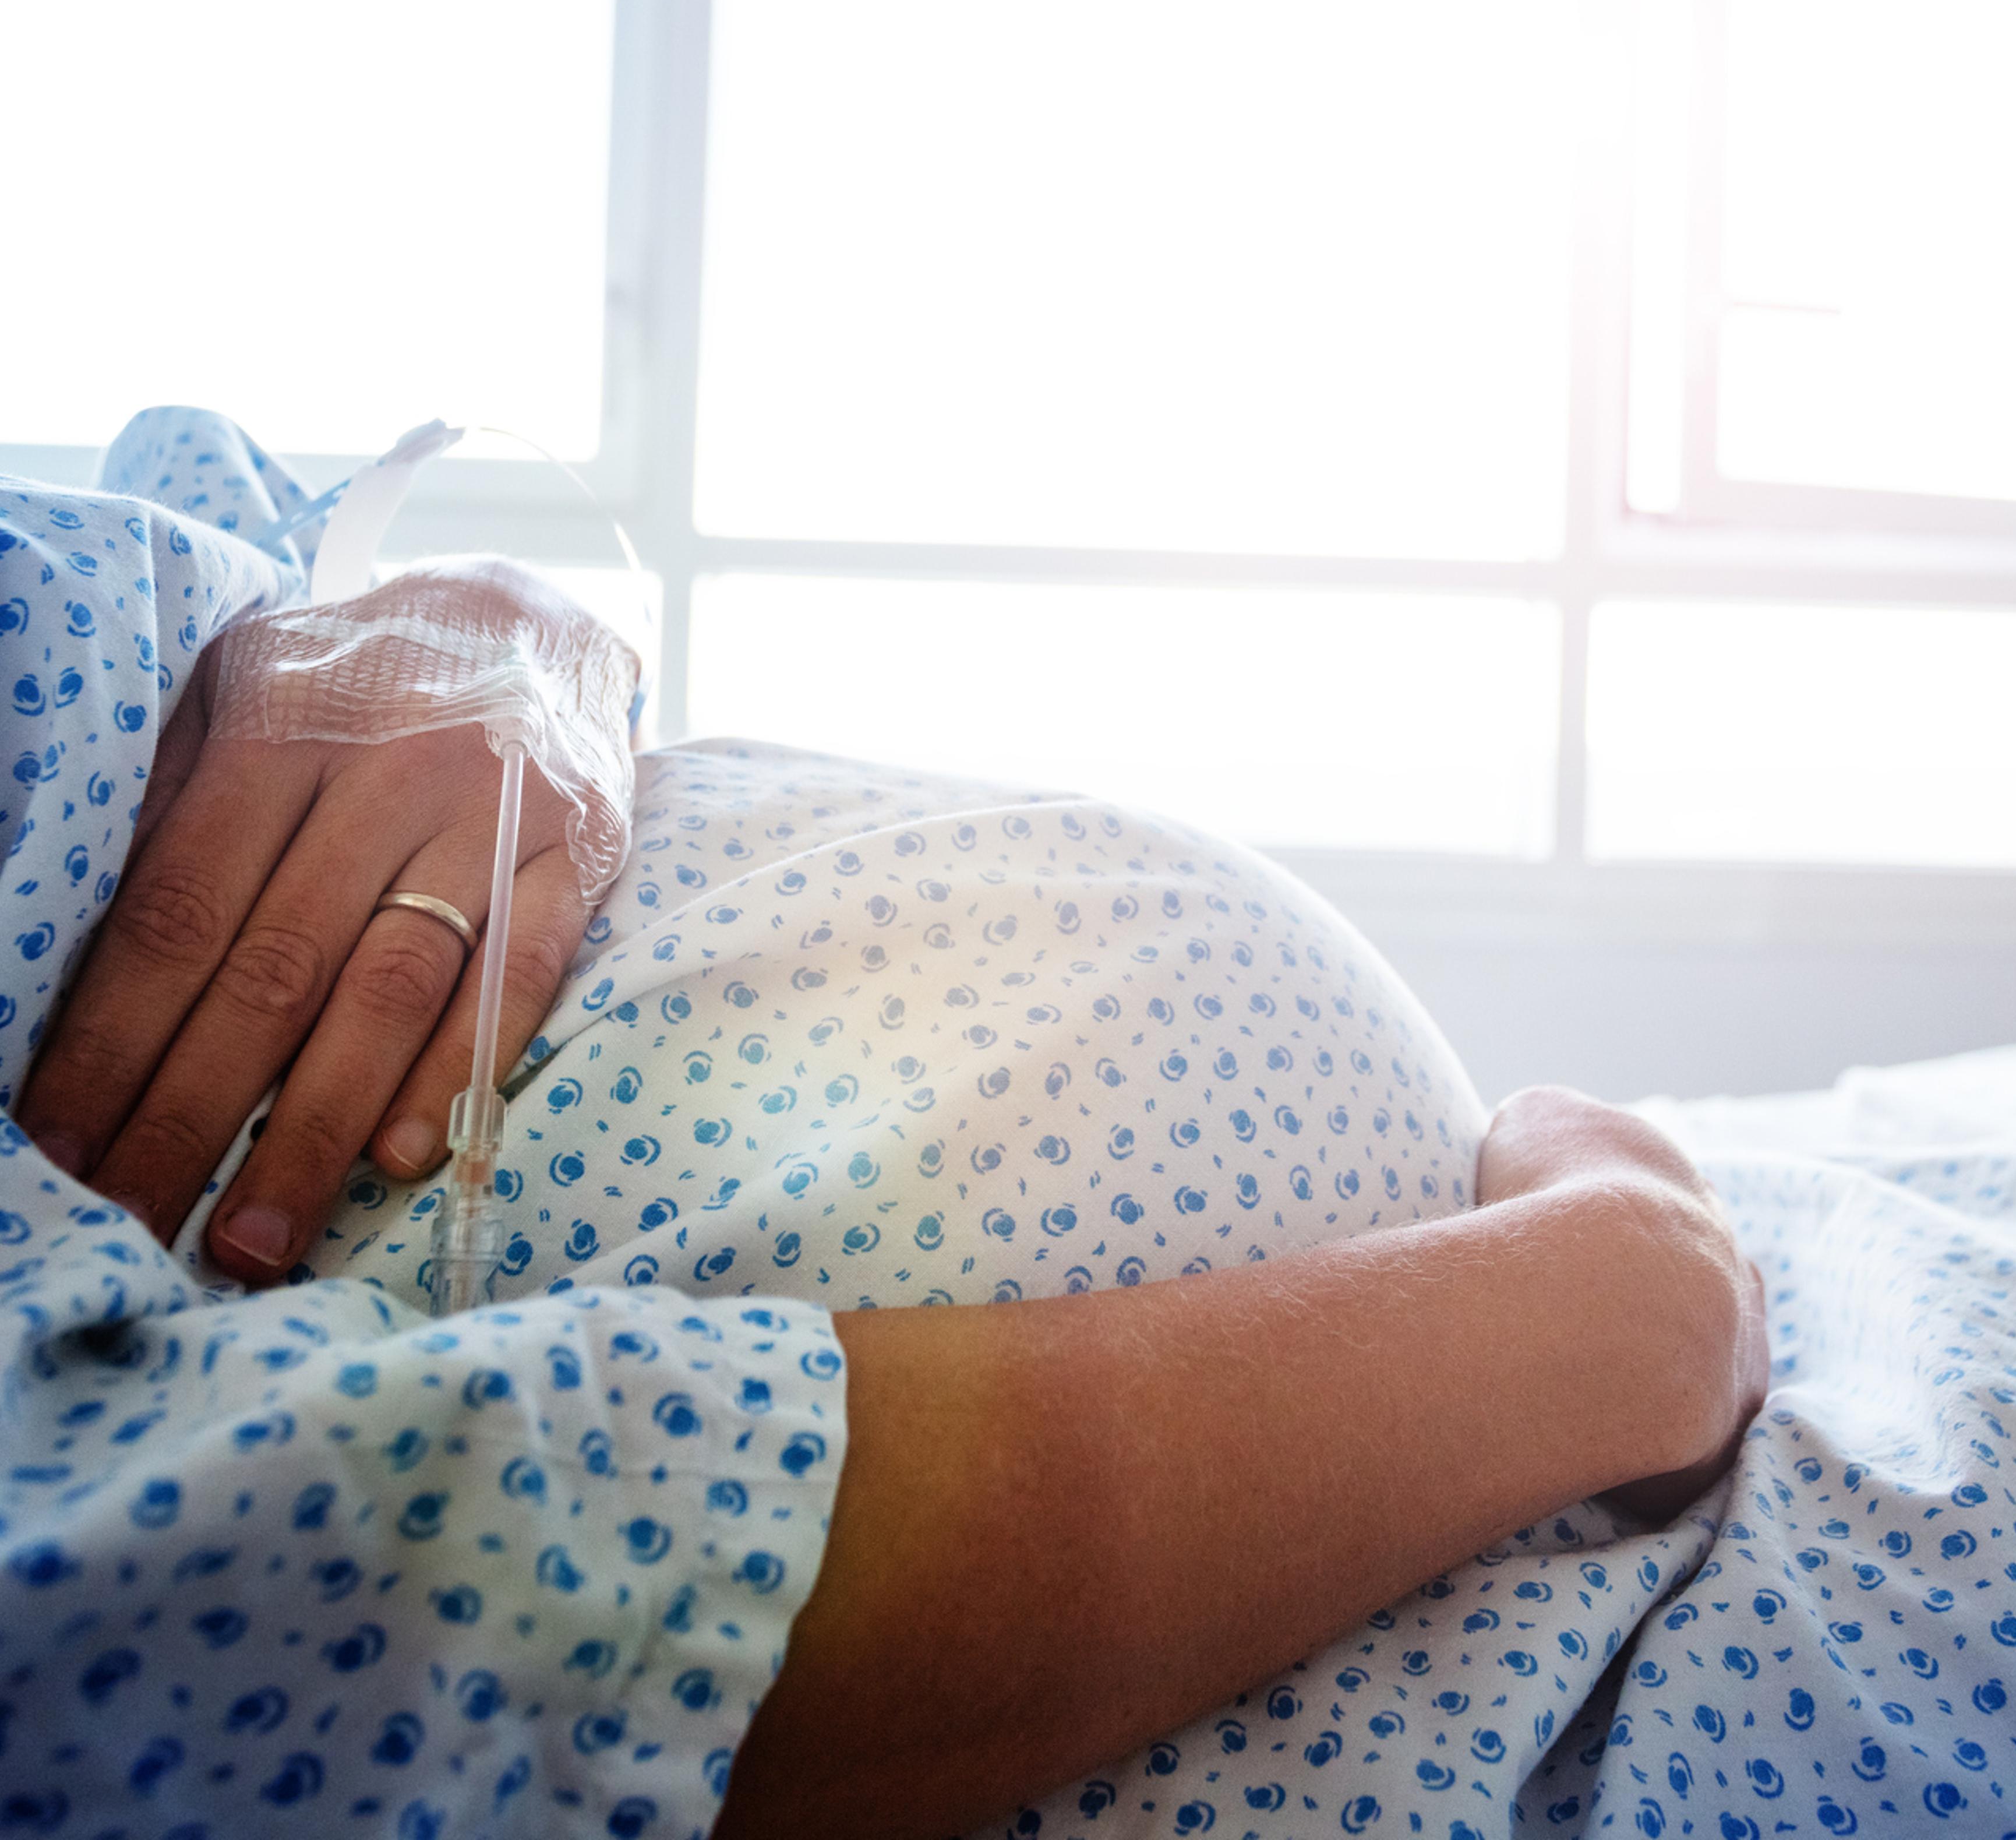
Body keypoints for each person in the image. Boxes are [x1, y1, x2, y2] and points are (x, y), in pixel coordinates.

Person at [0, 411, 1766, 1839]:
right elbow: (338, 1616)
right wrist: (1610, 1319)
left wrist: (495, 625)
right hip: (1495, 1516)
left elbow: (219, 524)